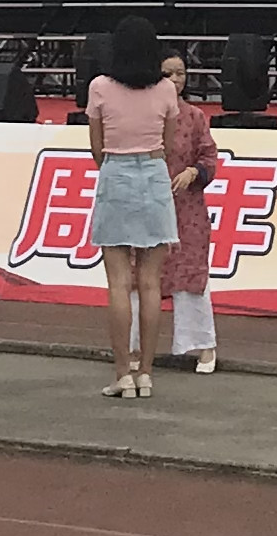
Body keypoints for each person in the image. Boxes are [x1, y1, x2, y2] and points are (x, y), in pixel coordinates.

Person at [86, 23, 183, 397]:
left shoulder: (100, 87)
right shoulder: (165, 89)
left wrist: (116, 165)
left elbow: (96, 147)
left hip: (117, 172)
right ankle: (146, 372)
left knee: (118, 283)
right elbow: (168, 143)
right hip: (154, 173)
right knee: (151, 282)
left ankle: (122, 373)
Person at [156, 44, 224, 376]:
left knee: (191, 273)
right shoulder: (145, 114)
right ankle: (136, 346)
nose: (176, 79)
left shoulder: (195, 116)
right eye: (168, 73)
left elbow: (209, 156)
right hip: (150, 204)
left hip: (187, 207)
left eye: (180, 73)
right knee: (142, 274)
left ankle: (203, 345)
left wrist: (194, 172)